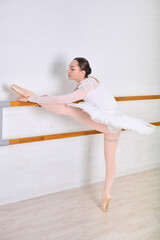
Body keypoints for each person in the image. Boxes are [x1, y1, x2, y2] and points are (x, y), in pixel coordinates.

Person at [10, 57, 156, 212]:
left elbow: (63, 100)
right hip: (115, 122)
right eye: (69, 68)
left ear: (82, 71)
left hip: (107, 121)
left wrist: (33, 98)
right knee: (110, 160)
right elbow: (64, 100)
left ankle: (34, 98)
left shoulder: (85, 88)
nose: (68, 71)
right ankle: (106, 193)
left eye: (72, 69)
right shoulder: (90, 81)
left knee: (70, 109)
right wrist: (43, 99)